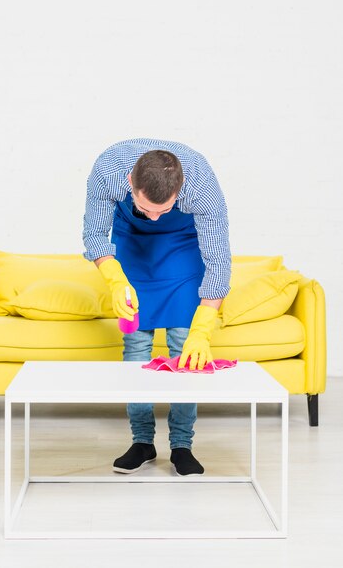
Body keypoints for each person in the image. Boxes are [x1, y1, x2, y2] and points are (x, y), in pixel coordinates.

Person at [83, 138, 231, 476]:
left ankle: (182, 445)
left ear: (180, 190)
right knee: (136, 347)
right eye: (145, 206)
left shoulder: (202, 183)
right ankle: (142, 442)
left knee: (185, 348)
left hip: (182, 250)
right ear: (130, 182)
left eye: (162, 210)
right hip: (131, 251)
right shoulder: (108, 170)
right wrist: (114, 278)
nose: (152, 217)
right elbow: (94, 235)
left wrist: (203, 329)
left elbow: (219, 262)